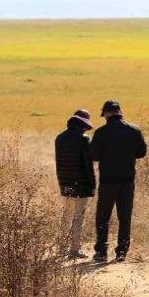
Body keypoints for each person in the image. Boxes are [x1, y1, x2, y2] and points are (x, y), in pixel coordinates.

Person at [90, 100, 147, 263]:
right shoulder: (134, 130)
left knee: (103, 216)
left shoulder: (101, 132)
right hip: (127, 180)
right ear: (120, 111)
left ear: (106, 113)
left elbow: (93, 155)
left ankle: (101, 251)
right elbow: (142, 152)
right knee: (125, 216)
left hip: (108, 180)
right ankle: (122, 251)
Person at [54, 109, 96, 259]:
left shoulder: (59, 138)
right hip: (81, 184)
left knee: (65, 216)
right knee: (78, 217)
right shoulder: (83, 140)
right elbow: (88, 166)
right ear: (83, 125)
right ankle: (74, 250)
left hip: (64, 182)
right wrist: (92, 185)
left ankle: (61, 248)